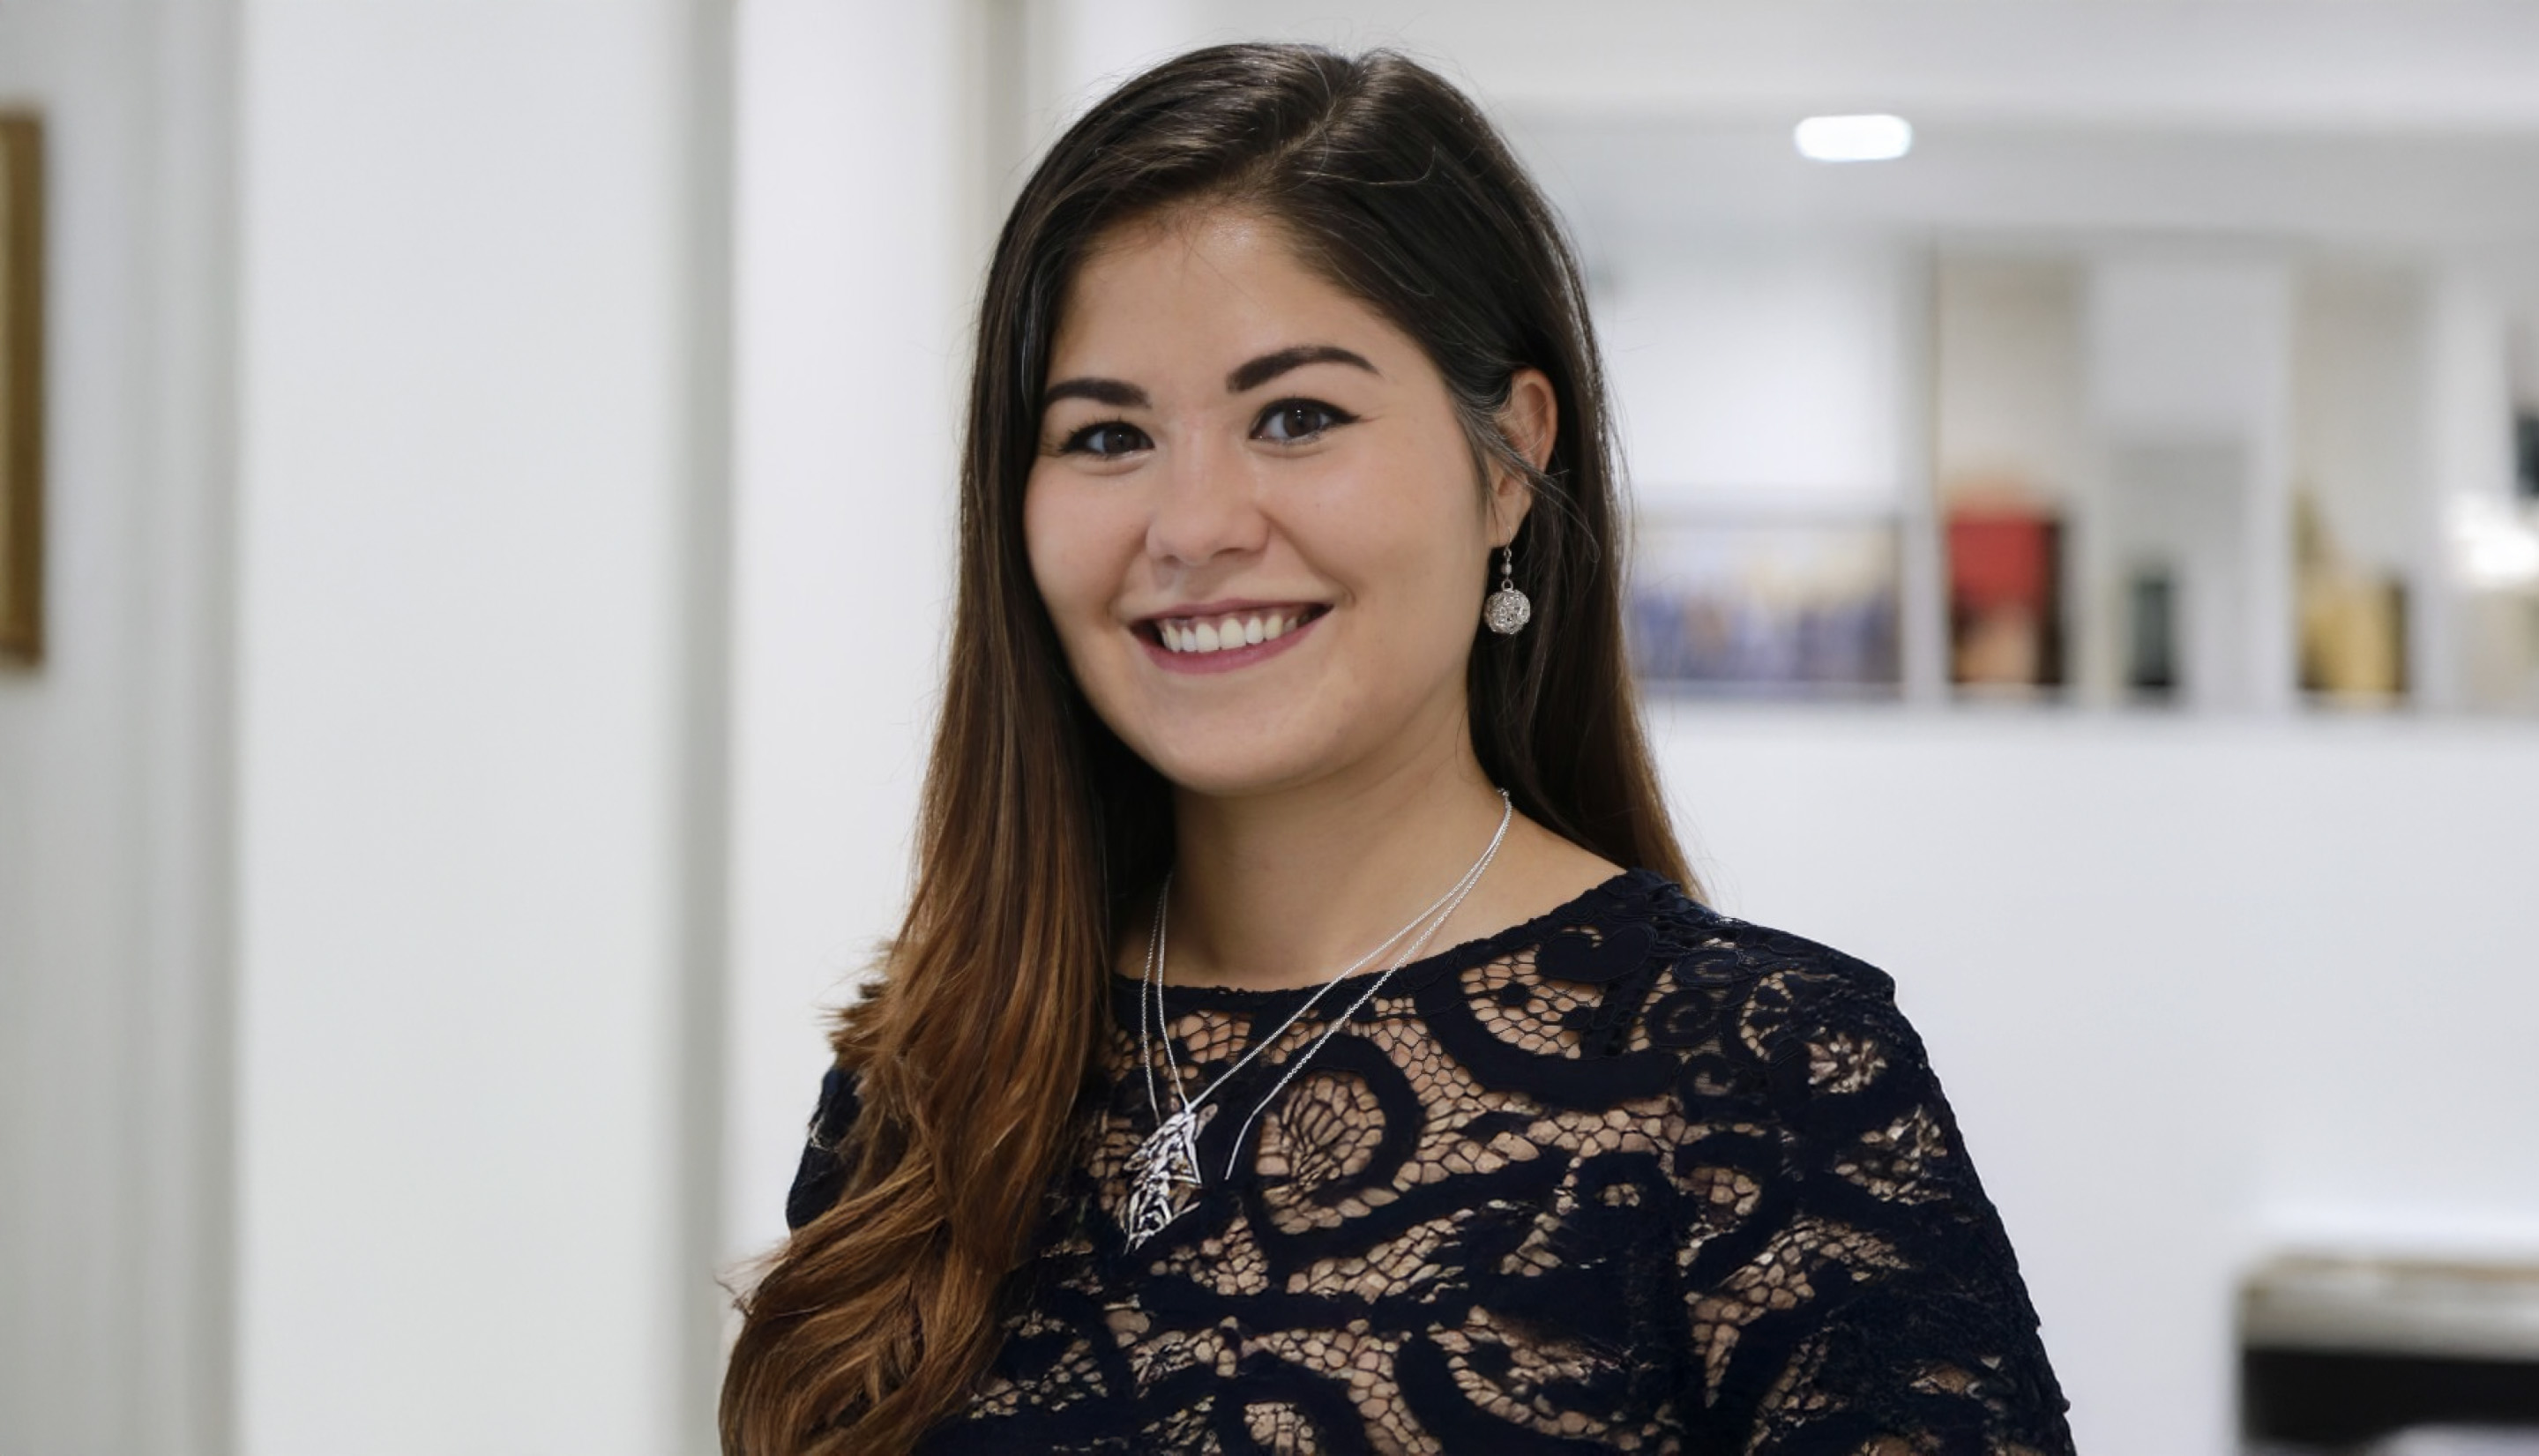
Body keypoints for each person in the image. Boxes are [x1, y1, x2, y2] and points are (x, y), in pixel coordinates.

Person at [721, 41, 2073, 1456]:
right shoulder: (931, 1085)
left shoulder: (1759, 1082)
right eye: (1107, 434)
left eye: (1296, 417)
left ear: (1507, 461)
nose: (1191, 526)